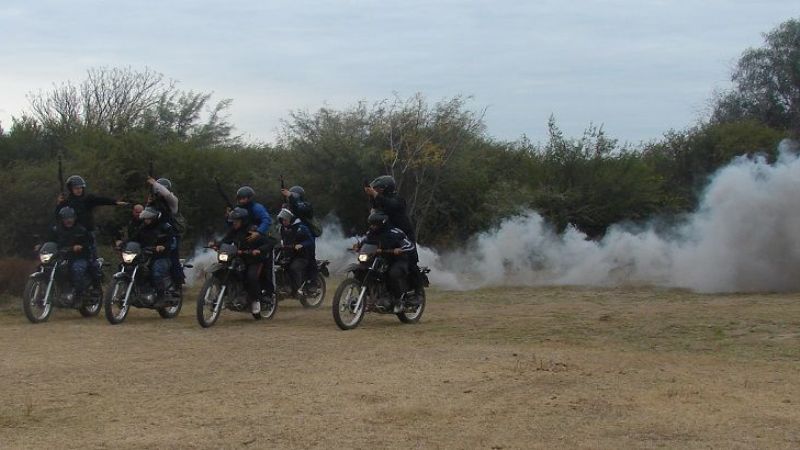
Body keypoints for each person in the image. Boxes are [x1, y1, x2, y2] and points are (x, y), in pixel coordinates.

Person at [56, 175, 128, 289]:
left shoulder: (87, 199)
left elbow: (100, 200)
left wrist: (115, 202)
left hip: (88, 234)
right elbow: (59, 215)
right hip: (72, 234)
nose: (78, 190)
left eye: (80, 188)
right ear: (71, 189)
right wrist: (59, 203)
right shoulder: (67, 202)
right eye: (76, 188)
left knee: (91, 258)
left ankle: (96, 281)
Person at [364, 175, 421, 288]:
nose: (376, 191)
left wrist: (374, 194)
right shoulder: (380, 200)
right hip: (386, 234)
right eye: (375, 189)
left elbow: (390, 204)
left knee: (410, 262)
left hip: (403, 235)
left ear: (386, 188)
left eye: (378, 188)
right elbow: (376, 207)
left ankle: (416, 291)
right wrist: (370, 194)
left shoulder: (398, 200)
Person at [214, 207, 275, 314]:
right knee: (226, 271)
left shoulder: (252, 230)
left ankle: (256, 301)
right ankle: (226, 296)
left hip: (254, 259)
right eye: (233, 221)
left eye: (236, 221)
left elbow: (269, 242)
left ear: (243, 220)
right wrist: (216, 244)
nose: (234, 223)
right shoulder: (234, 230)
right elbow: (226, 240)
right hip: (240, 257)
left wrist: (258, 250)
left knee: (251, 276)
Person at [357, 211, 418, 308]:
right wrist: (358, 246)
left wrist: (400, 249)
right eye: (371, 224)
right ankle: (371, 296)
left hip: (397, 260)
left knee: (393, 273)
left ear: (382, 224)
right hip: (380, 259)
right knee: (362, 270)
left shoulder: (395, 233)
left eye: (375, 225)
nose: (372, 227)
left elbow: (410, 245)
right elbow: (364, 240)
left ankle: (398, 299)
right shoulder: (371, 233)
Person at [147, 177, 185, 290]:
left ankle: (177, 284)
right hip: (154, 234)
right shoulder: (153, 202)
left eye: (159, 190)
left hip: (170, 234)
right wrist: (148, 203)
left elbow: (167, 195)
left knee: (172, 258)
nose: (157, 192)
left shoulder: (173, 201)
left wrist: (154, 184)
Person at [47, 207, 93, 301]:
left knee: (77, 269)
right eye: (65, 218)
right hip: (62, 256)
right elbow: (49, 240)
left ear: (74, 218)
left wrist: (80, 246)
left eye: (70, 217)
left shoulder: (81, 230)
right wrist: (41, 246)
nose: (68, 220)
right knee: (47, 267)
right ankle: (55, 291)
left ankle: (79, 295)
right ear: (61, 219)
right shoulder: (56, 230)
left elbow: (89, 242)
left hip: (79, 257)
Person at [280, 185, 319, 290]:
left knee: (310, 257)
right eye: (291, 195)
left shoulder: (306, 205)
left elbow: (299, 208)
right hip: (291, 233)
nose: (291, 197)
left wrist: (291, 197)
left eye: (293, 195)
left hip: (307, 233)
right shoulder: (288, 205)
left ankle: (313, 282)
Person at [136, 207, 178, 300]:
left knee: (156, 273)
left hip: (161, 256)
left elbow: (171, 241)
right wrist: (123, 244)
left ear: (154, 218)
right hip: (145, 255)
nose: (146, 220)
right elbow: (135, 238)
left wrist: (163, 246)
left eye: (148, 219)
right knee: (130, 267)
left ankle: (161, 297)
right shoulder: (142, 227)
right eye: (145, 218)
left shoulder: (165, 227)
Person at [277, 208, 315, 297]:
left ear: (290, 219)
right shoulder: (282, 228)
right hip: (288, 254)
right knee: (280, 268)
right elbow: (281, 239)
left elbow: (311, 240)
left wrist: (301, 245)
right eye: (282, 220)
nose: (284, 222)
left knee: (294, 268)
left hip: (302, 256)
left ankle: (298, 289)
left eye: (285, 220)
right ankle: (285, 287)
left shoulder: (301, 228)